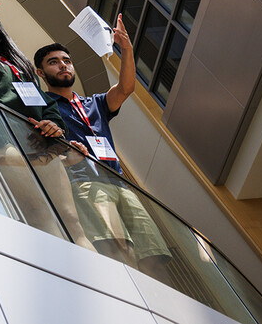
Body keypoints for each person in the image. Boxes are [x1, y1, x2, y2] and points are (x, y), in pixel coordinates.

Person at [0, 0, 94, 250]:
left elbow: (45, 102)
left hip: (39, 142)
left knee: (72, 221)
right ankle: (62, 278)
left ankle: (98, 285)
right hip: (1, 138)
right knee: (38, 215)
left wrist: (54, 125)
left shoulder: (18, 63)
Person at [34, 19, 172, 281]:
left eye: (67, 60)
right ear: (41, 73)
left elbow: (125, 89)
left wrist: (127, 49)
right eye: (53, 62)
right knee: (120, 251)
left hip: (120, 183)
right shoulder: (42, 104)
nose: (63, 64)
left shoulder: (94, 102)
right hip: (84, 181)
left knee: (154, 257)